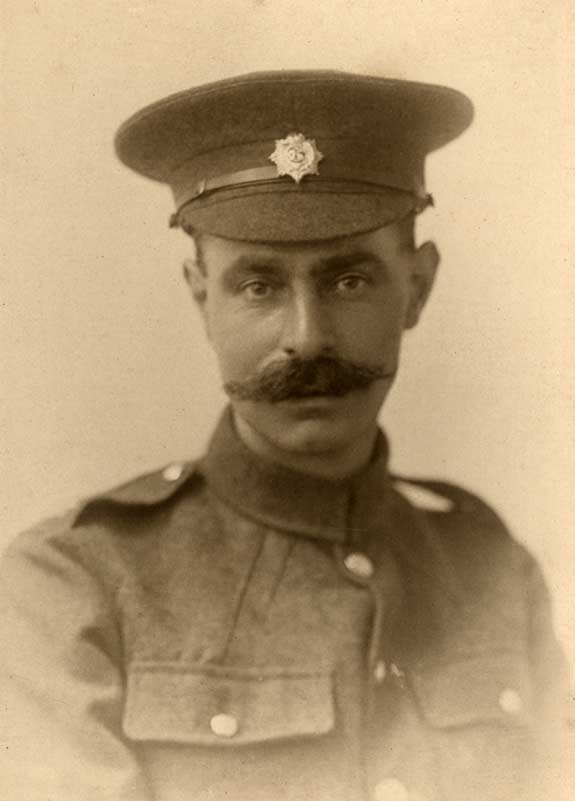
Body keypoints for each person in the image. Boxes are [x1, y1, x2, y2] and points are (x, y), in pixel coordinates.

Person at [0, 70, 569, 801]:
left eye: (349, 280)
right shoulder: (72, 586)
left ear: (417, 287)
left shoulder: (493, 570)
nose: (306, 338)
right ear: (202, 300)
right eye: (259, 286)